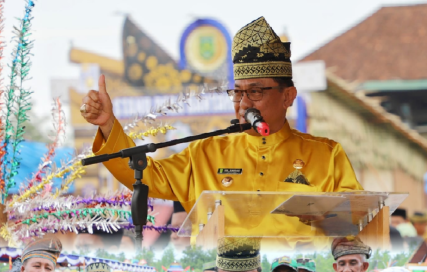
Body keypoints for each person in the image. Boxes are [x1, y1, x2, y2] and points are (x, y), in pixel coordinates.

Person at [81, 17, 362, 241]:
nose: (243, 103)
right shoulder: (205, 152)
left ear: (288, 96)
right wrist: (108, 125)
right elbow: (147, 176)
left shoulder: (326, 155)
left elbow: (356, 220)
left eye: (256, 91)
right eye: (237, 92)